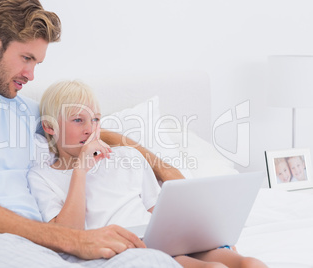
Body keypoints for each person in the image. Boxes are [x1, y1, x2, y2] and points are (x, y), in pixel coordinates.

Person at [0, 1, 183, 267]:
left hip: (41, 245)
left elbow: (86, 132)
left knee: (152, 260)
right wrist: (70, 239)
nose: (30, 75)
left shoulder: (21, 109)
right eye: (26, 58)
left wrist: (162, 167)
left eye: (36, 63)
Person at [28, 80, 268, 268]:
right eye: (78, 120)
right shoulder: (43, 176)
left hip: (162, 239)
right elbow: (69, 236)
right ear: (50, 127)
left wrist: (207, 233)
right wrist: (80, 168)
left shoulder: (127, 157)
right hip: (128, 252)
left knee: (248, 263)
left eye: (96, 120)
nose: (90, 129)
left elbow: (160, 213)